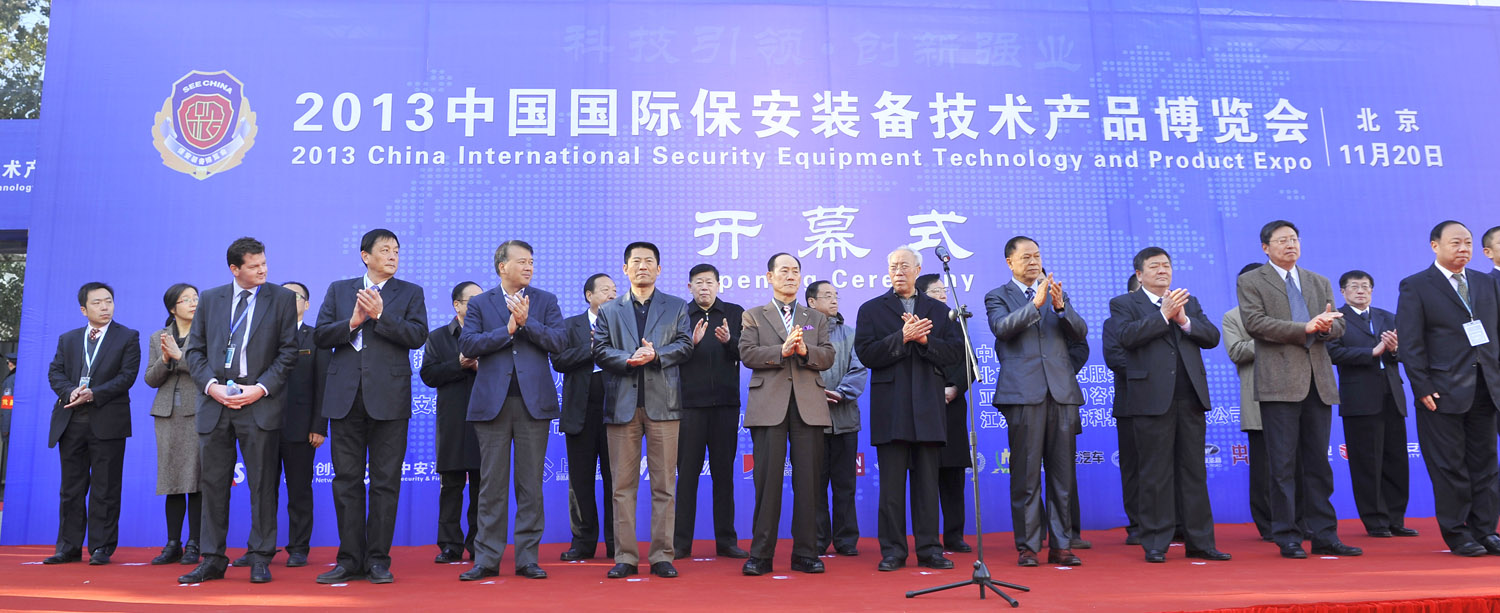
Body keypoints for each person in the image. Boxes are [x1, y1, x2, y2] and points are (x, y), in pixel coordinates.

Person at [1237, 220, 1361, 559]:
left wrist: (1325, 328)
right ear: (1266, 247)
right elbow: (1255, 324)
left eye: (1294, 239)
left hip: (1318, 382)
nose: (1290, 244)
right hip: (1279, 384)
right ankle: (1287, 535)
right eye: (1282, 240)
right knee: (1282, 465)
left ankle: (1324, 534)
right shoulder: (1251, 281)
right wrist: (1304, 327)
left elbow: (1339, 325)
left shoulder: (1318, 281)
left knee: (1318, 464)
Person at [178, 238, 299, 584]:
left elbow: (288, 352)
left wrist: (259, 388)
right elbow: (194, 351)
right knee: (213, 485)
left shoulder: (281, 299)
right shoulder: (211, 299)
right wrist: (211, 386)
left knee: (262, 485)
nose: (263, 270)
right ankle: (212, 558)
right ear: (235, 269)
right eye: (254, 265)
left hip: (258, 402)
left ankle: (260, 556)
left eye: (264, 263)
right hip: (215, 402)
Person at [314, 229, 429, 584]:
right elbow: (320, 336)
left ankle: (378, 559)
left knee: (385, 482)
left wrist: (381, 316)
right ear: (366, 256)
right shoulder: (339, 289)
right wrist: (352, 323)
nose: (393, 256)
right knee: (346, 481)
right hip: (345, 398)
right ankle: (349, 559)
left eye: (397, 250)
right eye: (385, 250)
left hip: (389, 400)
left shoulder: (410, 292)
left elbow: (417, 336)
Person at [1111, 247, 1230, 564]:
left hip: (1190, 397)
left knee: (1194, 472)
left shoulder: (1188, 301)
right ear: (1140, 274)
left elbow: (1211, 337)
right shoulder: (1124, 304)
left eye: (1166, 265)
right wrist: (1163, 315)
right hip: (1151, 400)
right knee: (1155, 474)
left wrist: (1184, 319)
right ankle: (1155, 542)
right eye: (1154, 266)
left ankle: (1200, 542)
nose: (1163, 270)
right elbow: (1126, 337)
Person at [457, 240, 567, 581]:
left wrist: (527, 322)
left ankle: (527, 558)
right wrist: (506, 331)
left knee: (530, 485)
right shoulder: (480, 303)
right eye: (522, 261)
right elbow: (468, 344)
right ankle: (486, 558)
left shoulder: (545, 300)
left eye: (531, 261)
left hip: (534, 404)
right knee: (491, 485)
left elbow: (560, 343)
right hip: (493, 404)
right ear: (502, 266)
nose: (529, 266)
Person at [854, 245, 962, 572]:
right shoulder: (871, 309)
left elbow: (955, 353)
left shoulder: (939, 310)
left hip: (928, 406)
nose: (898, 271)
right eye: (893, 266)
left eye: (904, 266)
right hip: (891, 406)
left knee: (927, 484)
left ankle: (929, 549)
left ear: (917, 270)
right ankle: (893, 551)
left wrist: (925, 342)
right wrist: (901, 337)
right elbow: (867, 354)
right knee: (891, 487)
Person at [1397, 220, 1500, 556]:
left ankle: (1486, 530)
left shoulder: (1486, 283)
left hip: (1486, 388)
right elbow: (1410, 343)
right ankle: (1458, 533)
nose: (1463, 248)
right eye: (1455, 242)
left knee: (1485, 465)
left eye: (1467, 242)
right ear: (1435, 245)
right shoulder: (1416, 285)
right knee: (1449, 466)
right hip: (1440, 392)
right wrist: (1422, 386)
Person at [592, 241, 694, 580]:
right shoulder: (609, 310)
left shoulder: (676, 306)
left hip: (663, 405)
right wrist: (628, 359)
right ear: (625, 269)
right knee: (622, 487)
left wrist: (656, 355)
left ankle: (662, 555)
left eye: (649, 261)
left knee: (664, 486)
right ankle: (625, 556)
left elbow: (685, 345)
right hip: (622, 405)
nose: (642, 266)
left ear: (659, 269)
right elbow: (600, 350)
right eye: (636, 261)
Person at [984, 236, 1087, 567]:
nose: (1033, 262)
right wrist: (1035, 305)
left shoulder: (1057, 293)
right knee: (1026, 475)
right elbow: (1002, 328)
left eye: (1037, 256)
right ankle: (1028, 546)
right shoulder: (998, 295)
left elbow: (1080, 332)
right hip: (1022, 395)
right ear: (1010, 262)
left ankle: (1062, 544)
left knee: (1062, 475)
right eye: (1026, 257)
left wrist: (1060, 308)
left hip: (1061, 393)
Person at [739, 253, 834, 576]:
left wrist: (806, 351)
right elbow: (747, 353)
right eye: (784, 271)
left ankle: (806, 553)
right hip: (769, 406)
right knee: (767, 483)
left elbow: (828, 356)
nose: (790, 276)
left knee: (808, 483)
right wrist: (780, 351)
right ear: (770, 277)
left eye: (795, 271)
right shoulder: (754, 315)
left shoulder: (815, 317)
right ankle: (760, 555)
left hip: (808, 406)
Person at [43, 282, 140, 566]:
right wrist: (70, 391)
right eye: (97, 303)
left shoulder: (127, 337)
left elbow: (127, 376)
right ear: (84, 309)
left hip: (107, 421)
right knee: (71, 488)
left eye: (108, 301)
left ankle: (101, 547)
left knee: (105, 487)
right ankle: (68, 546)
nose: (104, 307)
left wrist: (94, 393)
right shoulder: (69, 339)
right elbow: (55, 372)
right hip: (71, 420)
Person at [1327, 271, 1414, 538]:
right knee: (1367, 463)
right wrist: (1371, 352)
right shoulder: (1336, 320)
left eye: (1365, 286)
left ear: (1372, 291)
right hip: (1360, 399)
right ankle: (1375, 521)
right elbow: (1332, 353)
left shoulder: (1387, 317)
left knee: (1396, 460)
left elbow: (1406, 352)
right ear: (1343, 292)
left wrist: (1395, 350)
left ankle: (1396, 519)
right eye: (1354, 287)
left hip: (1392, 395)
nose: (1361, 291)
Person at [674, 263, 749, 560]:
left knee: (724, 475)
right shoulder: (680, 314)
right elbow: (669, 356)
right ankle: (680, 543)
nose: (704, 287)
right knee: (686, 476)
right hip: (689, 406)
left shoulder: (734, 312)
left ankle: (726, 541)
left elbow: (748, 352)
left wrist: (730, 342)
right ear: (689, 287)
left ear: (719, 285)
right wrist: (689, 345)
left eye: (709, 282)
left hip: (725, 406)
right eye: (698, 282)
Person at [1224, 263, 1303, 543]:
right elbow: (1236, 351)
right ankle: (1269, 523)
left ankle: (1300, 521)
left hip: (1296, 395)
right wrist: (1275, 335)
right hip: (1259, 399)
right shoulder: (1233, 317)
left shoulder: (1294, 311)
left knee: (1298, 464)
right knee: (1265, 467)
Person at [553, 273, 617, 561]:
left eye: (614, 290)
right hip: (580, 412)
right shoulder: (570, 326)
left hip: (615, 411)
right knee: (580, 480)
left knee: (616, 482)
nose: (612, 294)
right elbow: (559, 361)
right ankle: (583, 541)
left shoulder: (623, 323)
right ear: (589, 296)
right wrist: (591, 349)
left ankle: (617, 543)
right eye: (605, 290)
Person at [421, 281, 483, 565]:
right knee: (451, 486)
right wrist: (459, 365)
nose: (479, 306)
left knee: (483, 487)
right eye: (472, 301)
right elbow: (429, 375)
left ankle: (479, 544)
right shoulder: (438, 337)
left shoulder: (490, 335)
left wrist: (481, 366)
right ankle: (449, 545)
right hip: (453, 420)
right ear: (457, 305)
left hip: (486, 418)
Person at [806, 281, 867, 558]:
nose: (834, 300)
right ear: (811, 302)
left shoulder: (850, 333)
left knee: (845, 485)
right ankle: (818, 539)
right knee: (815, 486)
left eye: (836, 296)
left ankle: (846, 539)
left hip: (845, 420)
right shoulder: (802, 334)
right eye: (827, 296)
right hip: (811, 421)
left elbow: (859, 368)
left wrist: (841, 393)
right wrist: (814, 395)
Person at [144, 283, 203, 566]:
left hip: (198, 412)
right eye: (185, 299)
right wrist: (165, 359)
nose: (193, 303)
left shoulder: (206, 333)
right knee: (172, 481)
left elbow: (209, 371)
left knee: (196, 480)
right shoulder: (158, 337)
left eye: (195, 298)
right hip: (167, 414)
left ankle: (195, 543)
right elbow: (150, 379)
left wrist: (180, 357)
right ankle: (172, 543)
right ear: (172, 308)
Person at [271, 281, 329, 568]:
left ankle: (298, 547)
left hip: (301, 428)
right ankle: (261, 548)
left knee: (299, 492)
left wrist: (319, 425)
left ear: (306, 304)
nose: (287, 300)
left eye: (294, 296)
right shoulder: (262, 337)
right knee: (263, 492)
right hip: (264, 427)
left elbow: (323, 384)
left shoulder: (316, 337)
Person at [915, 273, 973, 554]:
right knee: (924, 477)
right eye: (936, 291)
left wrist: (954, 388)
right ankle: (926, 537)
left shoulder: (956, 323)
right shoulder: (915, 324)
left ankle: (954, 535)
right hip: (923, 407)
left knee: (953, 476)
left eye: (944, 290)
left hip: (952, 406)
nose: (943, 295)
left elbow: (969, 362)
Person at [1105, 273, 1140, 545]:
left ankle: (1176, 522)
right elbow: (1116, 359)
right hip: (1132, 404)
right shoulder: (1114, 323)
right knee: (1134, 468)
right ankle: (1139, 524)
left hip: (1170, 403)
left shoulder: (1173, 316)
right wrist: (1151, 375)